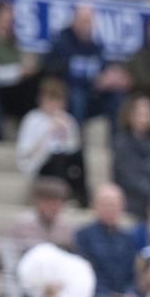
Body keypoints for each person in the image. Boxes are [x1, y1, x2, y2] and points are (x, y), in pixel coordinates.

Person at [44, 4, 133, 130]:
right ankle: (76, 143)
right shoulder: (61, 42)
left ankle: (117, 141)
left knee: (116, 97)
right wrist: (92, 80)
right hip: (68, 94)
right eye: (83, 21)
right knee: (78, 97)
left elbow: (103, 71)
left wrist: (110, 79)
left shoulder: (96, 47)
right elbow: (51, 69)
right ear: (74, 21)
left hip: (93, 94)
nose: (86, 25)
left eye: (89, 22)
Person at [16, 77, 88, 206]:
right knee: (57, 157)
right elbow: (25, 153)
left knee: (75, 157)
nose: (54, 105)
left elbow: (74, 149)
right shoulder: (32, 119)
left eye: (58, 101)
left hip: (63, 162)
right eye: (50, 100)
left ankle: (82, 198)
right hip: (40, 163)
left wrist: (65, 134)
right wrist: (48, 132)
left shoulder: (68, 120)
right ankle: (59, 196)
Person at [75, 183, 137, 297]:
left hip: (124, 296)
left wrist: (130, 293)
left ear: (122, 207)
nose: (110, 208)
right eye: (105, 204)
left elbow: (133, 273)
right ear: (94, 206)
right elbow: (86, 273)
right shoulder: (83, 236)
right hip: (96, 295)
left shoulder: (129, 238)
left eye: (114, 204)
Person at [112, 93, 150, 219]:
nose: (144, 118)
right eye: (140, 113)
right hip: (131, 199)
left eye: (148, 113)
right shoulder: (122, 143)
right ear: (129, 115)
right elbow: (131, 179)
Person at [5, 176, 77, 254]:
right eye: (49, 203)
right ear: (37, 202)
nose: (53, 207)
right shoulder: (21, 224)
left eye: (57, 203)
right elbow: (9, 253)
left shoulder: (67, 228)